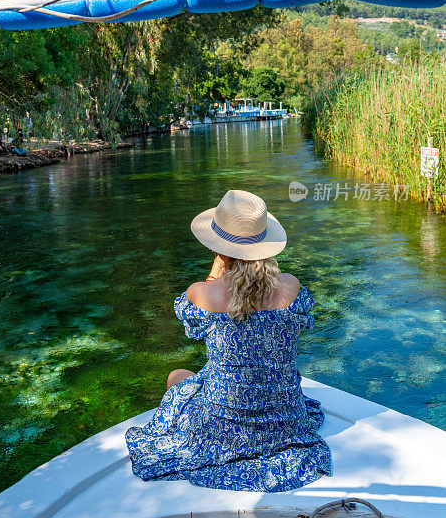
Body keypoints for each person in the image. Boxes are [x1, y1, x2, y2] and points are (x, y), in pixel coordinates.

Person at [126, 189, 332, 492]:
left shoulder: (202, 294)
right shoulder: (291, 287)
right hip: (286, 424)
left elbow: (194, 325)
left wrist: (216, 270)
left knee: (177, 377)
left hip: (222, 431)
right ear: (266, 246)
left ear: (219, 247)